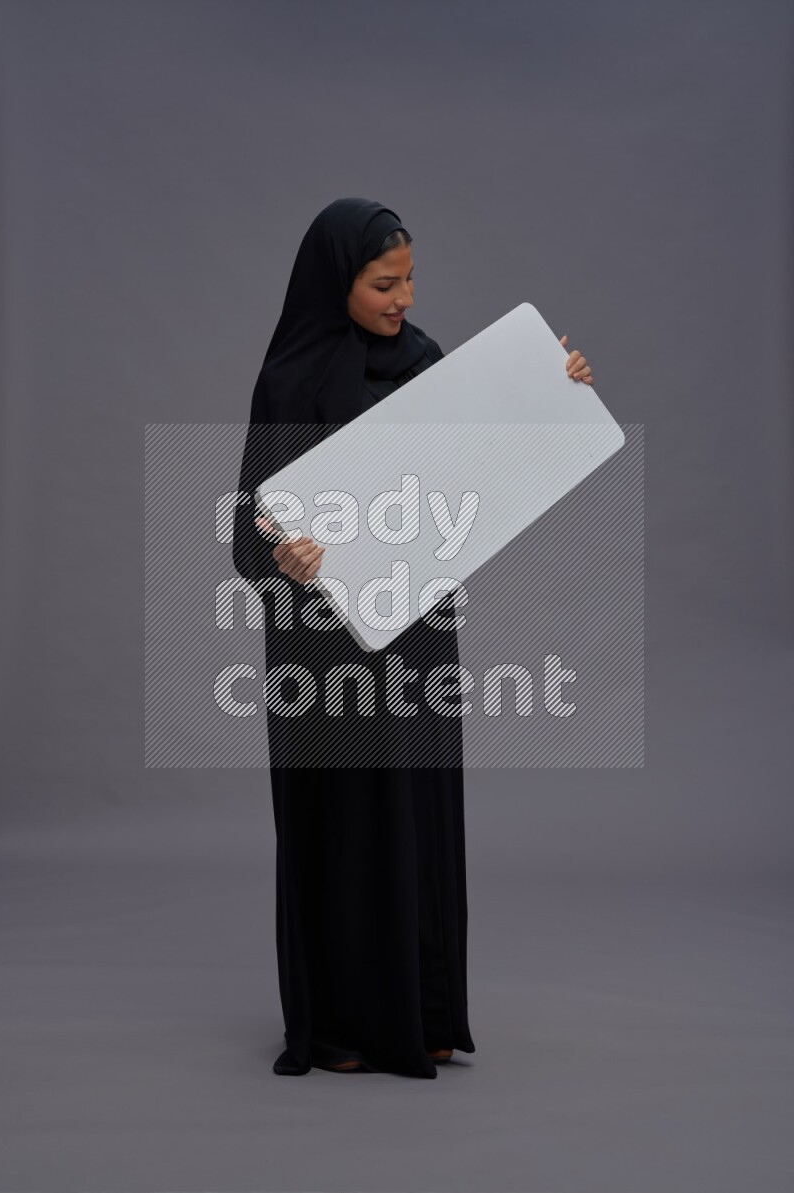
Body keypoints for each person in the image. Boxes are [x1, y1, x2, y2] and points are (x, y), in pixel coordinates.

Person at [232, 197, 593, 1078]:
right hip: (321, 648)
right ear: (337, 282)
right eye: (383, 283)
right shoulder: (289, 381)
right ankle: (342, 1025)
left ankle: (426, 1013)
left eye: (410, 279)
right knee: (342, 824)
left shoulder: (431, 363)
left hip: (418, 632)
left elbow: (486, 465)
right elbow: (246, 537)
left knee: (417, 816)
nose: (403, 298)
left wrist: (560, 393)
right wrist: (288, 554)